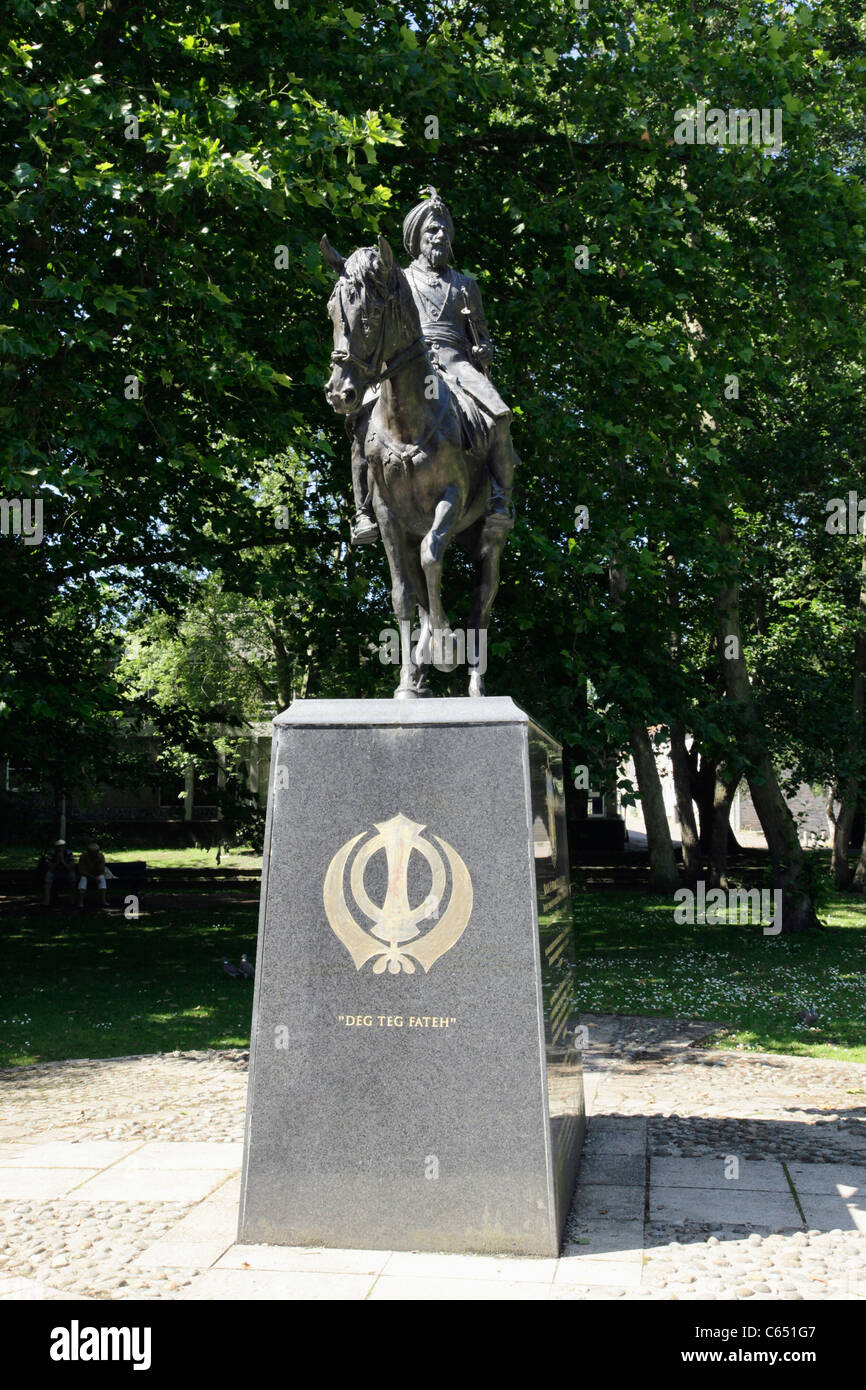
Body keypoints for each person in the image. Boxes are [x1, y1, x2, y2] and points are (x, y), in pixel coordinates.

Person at [349, 186, 516, 547]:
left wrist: (484, 350)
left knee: (499, 417)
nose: (440, 235)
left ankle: (500, 499)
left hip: (457, 364)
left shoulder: (466, 285)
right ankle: (363, 510)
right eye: (432, 230)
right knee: (362, 420)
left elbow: (483, 337)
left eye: (444, 230)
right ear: (416, 238)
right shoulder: (402, 280)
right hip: (408, 363)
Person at [41, 839, 76, 906]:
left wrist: (63, 861)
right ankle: (47, 900)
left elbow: (70, 868)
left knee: (72, 876)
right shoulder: (52, 854)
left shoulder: (69, 853)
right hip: (55, 873)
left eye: (62, 846)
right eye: (58, 847)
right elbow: (50, 868)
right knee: (48, 876)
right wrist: (57, 861)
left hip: (66, 873)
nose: (60, 848)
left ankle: (72, 899)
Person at [77, 841, 109, 909]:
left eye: (96, 852)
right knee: (83, 879)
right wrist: (93, 877)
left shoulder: (101, 856)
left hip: (97, 875)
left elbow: (101, 871)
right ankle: (80, 902)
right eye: (93, 852)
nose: (95, 854)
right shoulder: (83, 857)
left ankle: (103, 900)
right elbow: (82, 871)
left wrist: (97, 861)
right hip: (87, 875)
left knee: (101, 878)